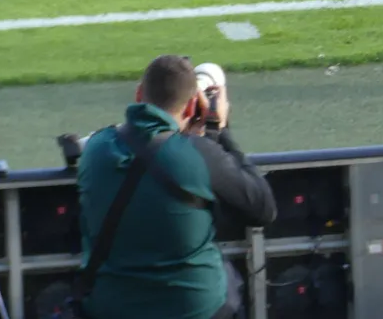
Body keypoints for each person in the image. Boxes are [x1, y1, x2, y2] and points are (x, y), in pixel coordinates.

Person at [76, 55, 277, 319]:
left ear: (138, 93)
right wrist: (219, 130)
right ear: (193, 104)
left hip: (110, 308)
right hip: (195, 310)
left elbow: (139, 142)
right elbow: (262, 209)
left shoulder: (97, 147)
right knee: (228, 281)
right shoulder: (201, 153)